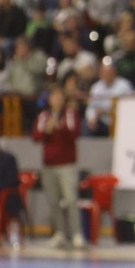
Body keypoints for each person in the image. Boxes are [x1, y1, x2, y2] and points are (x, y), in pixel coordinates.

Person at [33, 87, 82, 249]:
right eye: (54, 97)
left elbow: (75, 132)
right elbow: (36, 136)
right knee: (53, 201)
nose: (57, 100)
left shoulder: (70, 114)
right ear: (49, 99)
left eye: (59, 96)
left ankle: (76, 234)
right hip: (49, 165)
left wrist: (60, 127)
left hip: (67, 164)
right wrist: (47, 129)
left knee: (71, 199)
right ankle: (60, 233)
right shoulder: (44, 116)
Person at [86, 58, 133, 136]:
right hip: (102, 121)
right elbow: (91, 107)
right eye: (104, 72)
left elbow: (130, 105)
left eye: (109, 72)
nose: (107, 75)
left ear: (114, 72)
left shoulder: (124, 85)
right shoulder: (96, 87)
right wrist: (92, 117)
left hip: (120, 120)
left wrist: (108, 111)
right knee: (87, 125)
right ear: (100, 73)